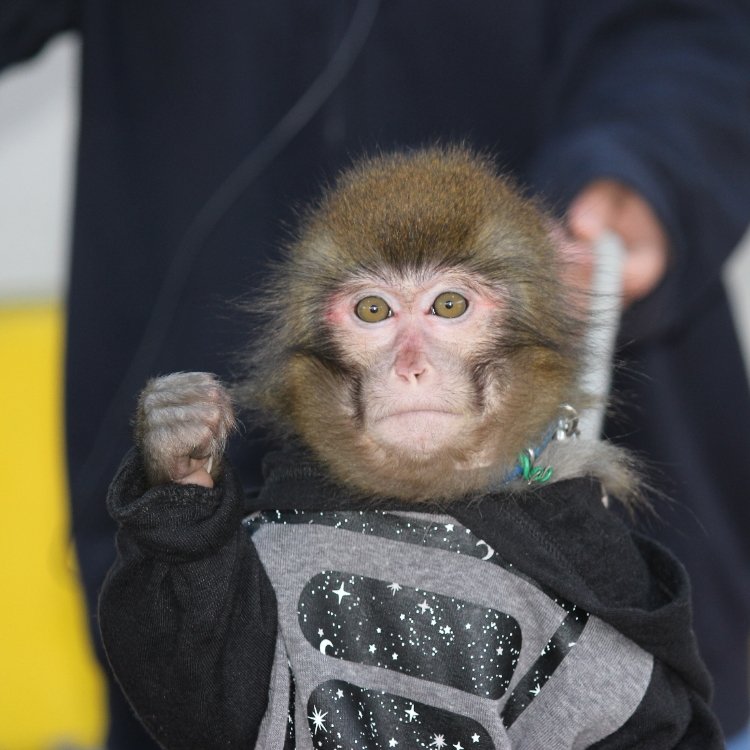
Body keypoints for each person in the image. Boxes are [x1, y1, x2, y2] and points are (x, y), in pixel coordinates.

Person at [2, 2, 749, 747]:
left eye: (449, 308)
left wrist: (651, 163)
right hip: (215, 460)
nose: (411, 362)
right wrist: (181, 525)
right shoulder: (246, 553)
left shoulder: (591, 578)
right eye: (371, 314)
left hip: (638, 454)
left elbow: (701, 26)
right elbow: (199, 687)